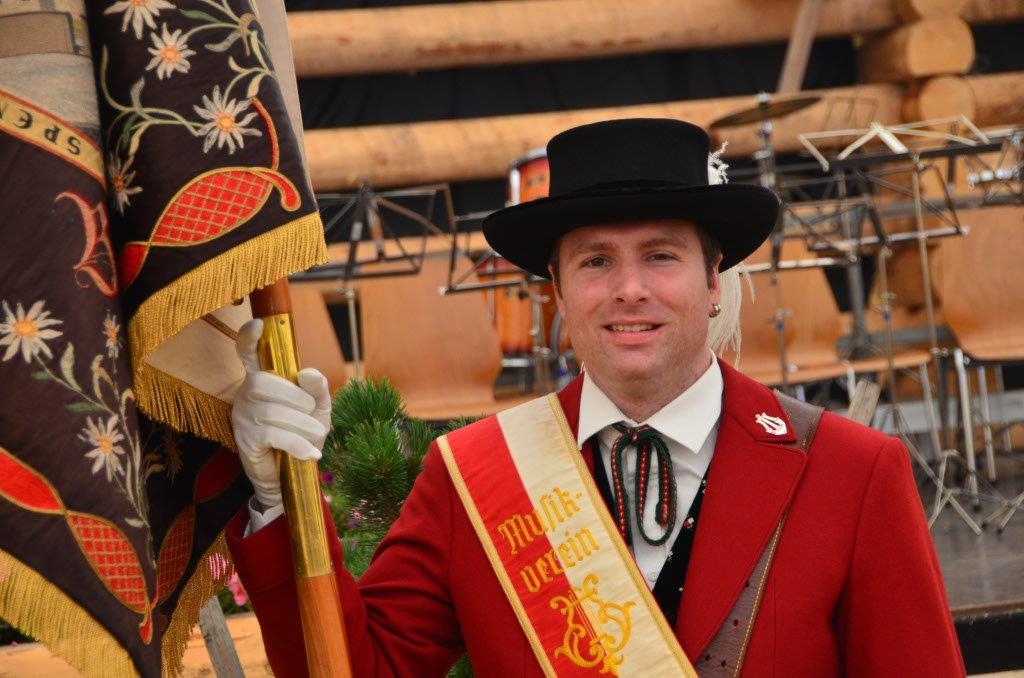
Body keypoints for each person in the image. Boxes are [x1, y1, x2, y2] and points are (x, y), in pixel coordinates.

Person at [227, 119, 965, 677]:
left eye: (661, 255)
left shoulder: (852, 472)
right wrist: (281, 503)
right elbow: (357, 671)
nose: (629, 288)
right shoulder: (472, 478)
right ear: (557, 290)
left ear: (713, 282)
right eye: (596, 262)